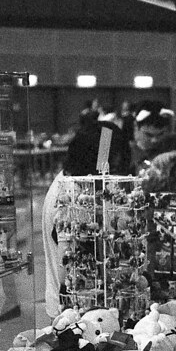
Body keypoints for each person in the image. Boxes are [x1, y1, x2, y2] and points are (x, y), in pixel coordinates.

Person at [42, 121, 133, 318]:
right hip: (76, 310)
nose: (111, 176)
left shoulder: (72, 183)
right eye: (111, 167)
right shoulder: (69, 194)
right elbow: (67, 260)